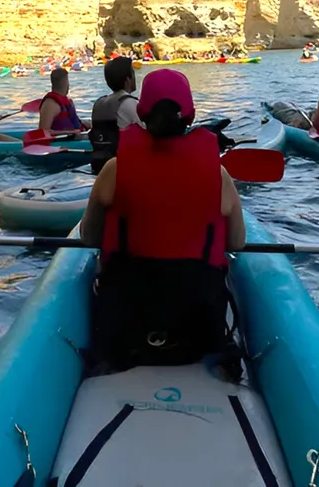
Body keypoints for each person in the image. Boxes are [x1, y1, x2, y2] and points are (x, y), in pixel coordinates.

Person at [80, 69, 245, 374]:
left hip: (127, 330)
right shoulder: (218, 175)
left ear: (142, 112)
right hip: (197, 332)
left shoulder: (114, 171)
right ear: (190, 115)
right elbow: (236, 242)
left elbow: (89, 238)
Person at [88, 57, 142, 172]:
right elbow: (147, 132)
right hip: (121, 166)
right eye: (133, 73)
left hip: (98, 165)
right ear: (128, 79)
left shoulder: (98, 103)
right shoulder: (129, 103)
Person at [38, 67, 90, 137]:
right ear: (65, 82)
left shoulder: (65, 100)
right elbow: (43, 132)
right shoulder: (50, 104)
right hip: (63, 141)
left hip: (76, 135)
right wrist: (71, 132)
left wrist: (84, 124)